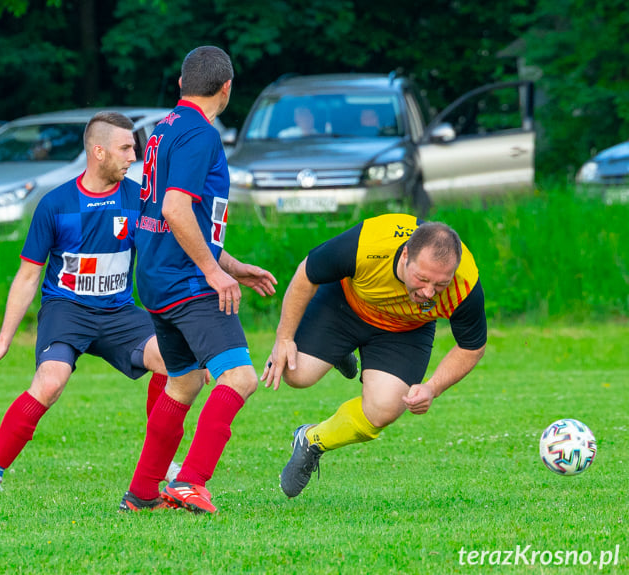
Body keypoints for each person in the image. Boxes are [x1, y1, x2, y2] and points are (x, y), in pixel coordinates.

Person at [0, 111, 180, 494]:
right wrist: (2, 341)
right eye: (126, 148)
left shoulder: (140, 200)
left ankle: (160, 462)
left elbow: (167, 255)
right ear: (98, 152)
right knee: (50, 383)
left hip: (119, 312)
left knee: (171, 359)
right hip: (66, 311)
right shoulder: (55, 204)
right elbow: (28, 276)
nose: (135, 155)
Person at [119, 46, 277, 514]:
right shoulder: (200, 134)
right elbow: (174, 209)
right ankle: (189, 482)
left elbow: (174, 221)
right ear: (226, 88)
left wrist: (230, 264)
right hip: (186, 282)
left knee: (183, 383)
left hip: (156, 278)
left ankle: (143, 493)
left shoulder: (161, 131)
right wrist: (212, 272)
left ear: (181, 84)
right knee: (240, 376)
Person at [261, 213, 486, 498]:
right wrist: (284, 338)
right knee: (294, 373)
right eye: (422, 279)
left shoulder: (465, 283)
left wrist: (432, 387)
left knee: (383, 411)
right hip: (344, 306)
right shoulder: (367, 244)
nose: (430, 292)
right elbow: (307, 274)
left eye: (440, 285)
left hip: (404, 331)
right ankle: (339, 351)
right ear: (405, 255)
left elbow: (472, 346)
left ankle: (311, 440)